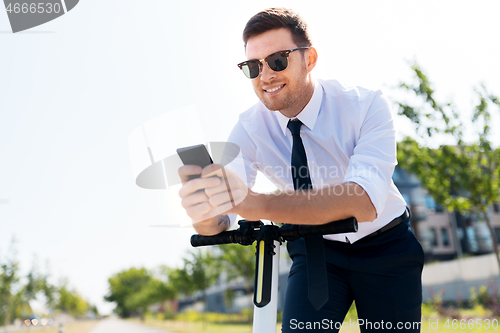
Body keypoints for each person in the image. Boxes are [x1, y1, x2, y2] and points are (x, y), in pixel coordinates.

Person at [178, 7, 423, 333]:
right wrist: (204, 212)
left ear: (309, 59)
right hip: (313, 249)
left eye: (278, 60)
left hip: (386, 248)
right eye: (253, 66)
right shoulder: (249, 129)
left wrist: (254, 203)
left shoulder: (365, 106)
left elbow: (362, 201)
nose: (265, 76)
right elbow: (223, 216)